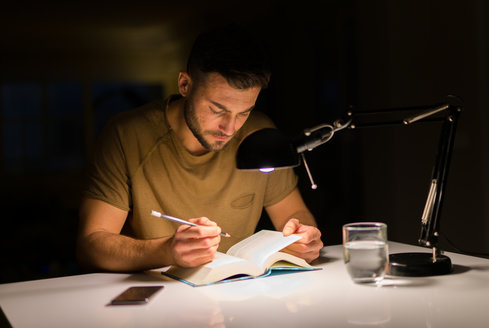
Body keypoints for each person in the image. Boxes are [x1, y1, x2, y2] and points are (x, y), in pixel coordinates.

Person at [76, 25, 323, 272]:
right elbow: (91, 245)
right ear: (184, 85)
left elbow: (296, 214)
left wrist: (303, 239)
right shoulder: (127, 135)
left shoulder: (258, 135)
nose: (229, 128)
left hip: (242, 294)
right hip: (159, 297)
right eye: (217, 110)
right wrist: (167, 250)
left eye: (243, 113)